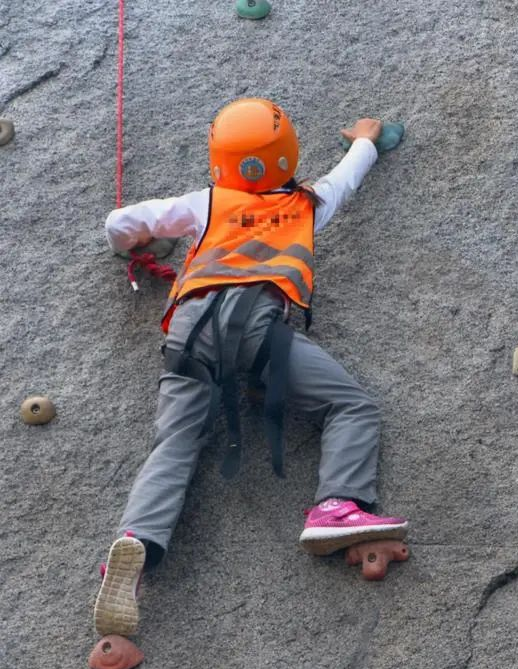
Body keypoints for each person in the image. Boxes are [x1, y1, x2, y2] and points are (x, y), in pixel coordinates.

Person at [94, 98, 408, 638]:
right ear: (288, 155)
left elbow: (119, 223)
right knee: (350, 405)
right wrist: (365, 138)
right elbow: (348, 176)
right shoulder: (308, 203)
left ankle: (137, 542)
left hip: (187, 333)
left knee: (175, 442)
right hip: (257, 331)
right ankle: (338, 505)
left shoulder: (206, 203)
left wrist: (135, 245)